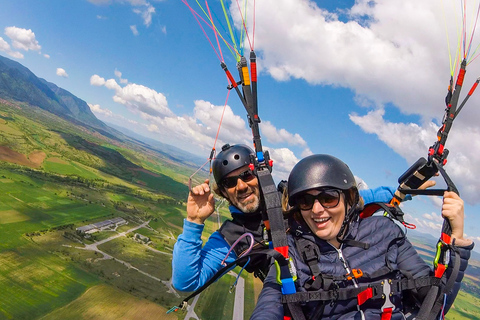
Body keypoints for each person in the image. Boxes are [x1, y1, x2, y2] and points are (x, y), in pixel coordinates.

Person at [250, 154, 473, 320]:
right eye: (306, 201)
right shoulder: (291, 252)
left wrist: (457, 239)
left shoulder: (384, 232)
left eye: (328, 198)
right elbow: (269, 304)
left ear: (349, 199)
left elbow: (434, 303)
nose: (317, 210)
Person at [172, 144, 414, 292]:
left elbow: (355, 199)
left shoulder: (292, 198)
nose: (241, 186)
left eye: (247, 175)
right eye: (229, 182)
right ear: (223, 191)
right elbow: (186, 282)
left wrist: (401, 191)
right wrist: (194, 222)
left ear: (259, 173)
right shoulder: (233, 238)